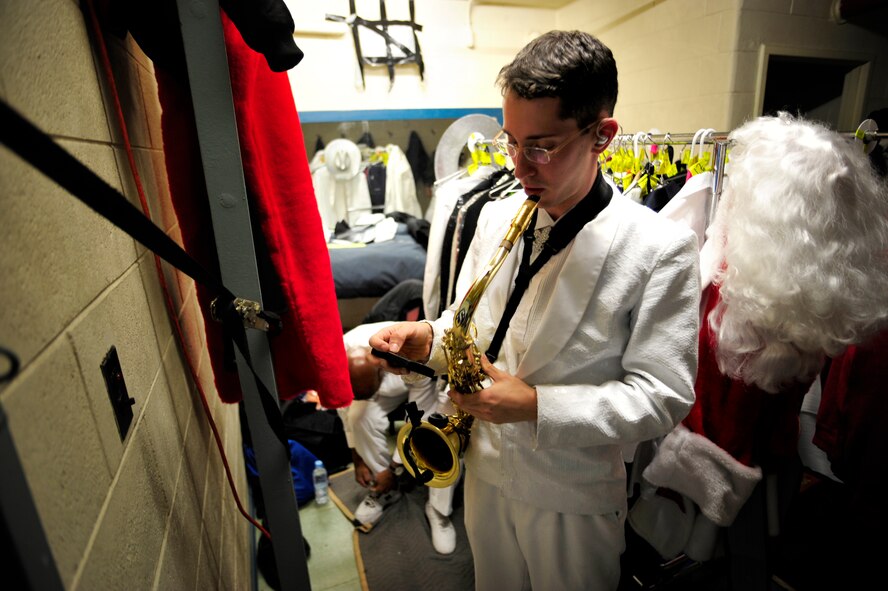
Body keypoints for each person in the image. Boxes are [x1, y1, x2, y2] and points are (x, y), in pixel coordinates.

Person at [369, 30, 701, 590]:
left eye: (542, 146)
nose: (521, 167)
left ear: (602, 135)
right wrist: (428, 339)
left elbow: (662, 396)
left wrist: (537, 406)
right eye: (511, 143)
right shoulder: (498, 216)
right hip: (484, 468)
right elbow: (467, 325)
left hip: (571, 494)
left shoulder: (658, 248)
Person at [338, 321, 459, 554]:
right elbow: (344, 411)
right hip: (373, 388)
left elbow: (419, 412)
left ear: (380, 371)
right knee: (357, 415)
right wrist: (358, 459)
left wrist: (396, 464)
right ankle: (384, 486)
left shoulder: (406, 354)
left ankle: (431, 505)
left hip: (411, 384)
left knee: (436, 426)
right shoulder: (340, 353)